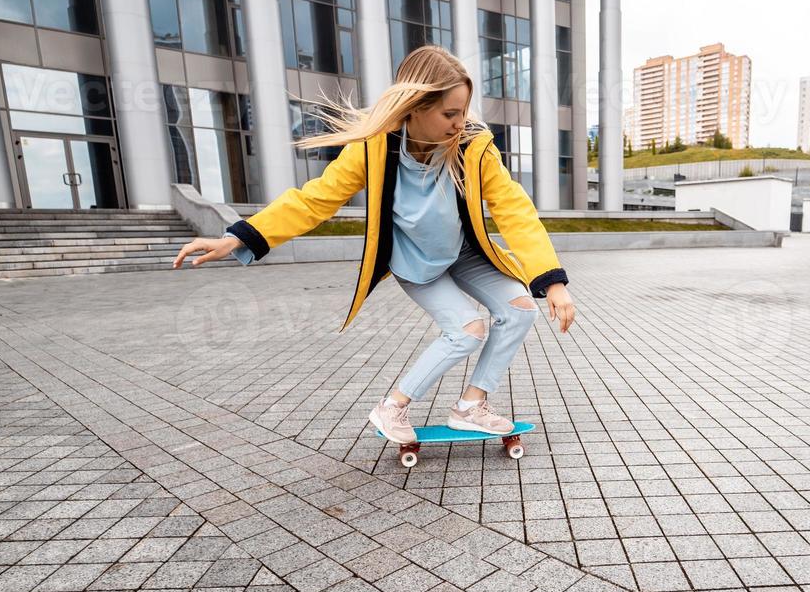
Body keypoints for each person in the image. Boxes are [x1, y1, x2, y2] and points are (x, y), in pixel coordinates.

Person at [173, 45, 577, 446]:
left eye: (463, 112)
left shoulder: (473, 147)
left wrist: (552, 282)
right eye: (449, 114)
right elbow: (315, 199)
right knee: (468, 330)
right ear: (416, 106)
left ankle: (470, 407)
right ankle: (393, 407)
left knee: (520, 309)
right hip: (416, 263)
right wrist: (235, 237)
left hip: (464, 254)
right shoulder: (374, 147)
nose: (459, 124)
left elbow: (514, 210)